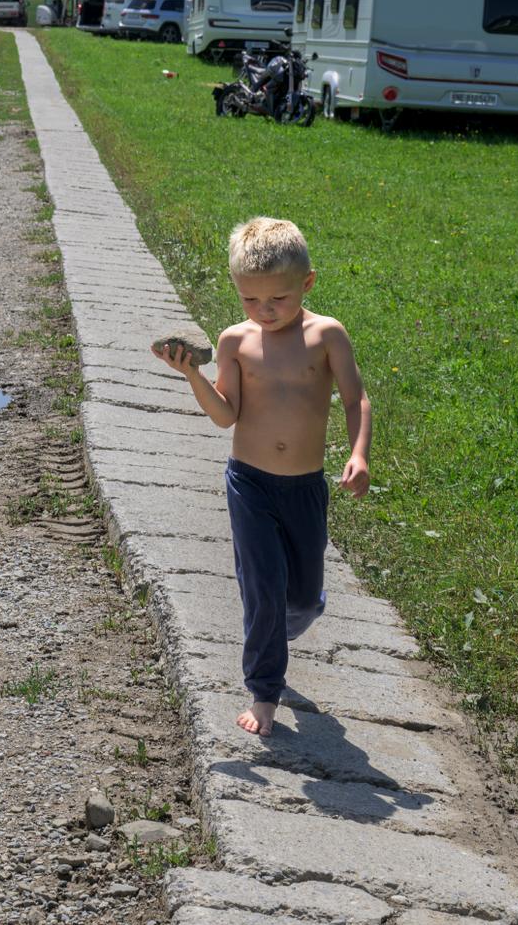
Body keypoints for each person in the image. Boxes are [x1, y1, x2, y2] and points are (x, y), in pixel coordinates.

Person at [153, 217, 371, 737]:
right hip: (249, 484)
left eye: (278, 298)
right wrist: (192, 375)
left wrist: (359, 454)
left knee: (301, 599)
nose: (265, 311)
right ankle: (264, 690)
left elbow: (356, 398)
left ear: (308, 284)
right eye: (251, 300)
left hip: (303, 487)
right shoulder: (234, 342)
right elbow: (226, 414)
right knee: (264, 589)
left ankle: (286, 623)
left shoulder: (326, 335)